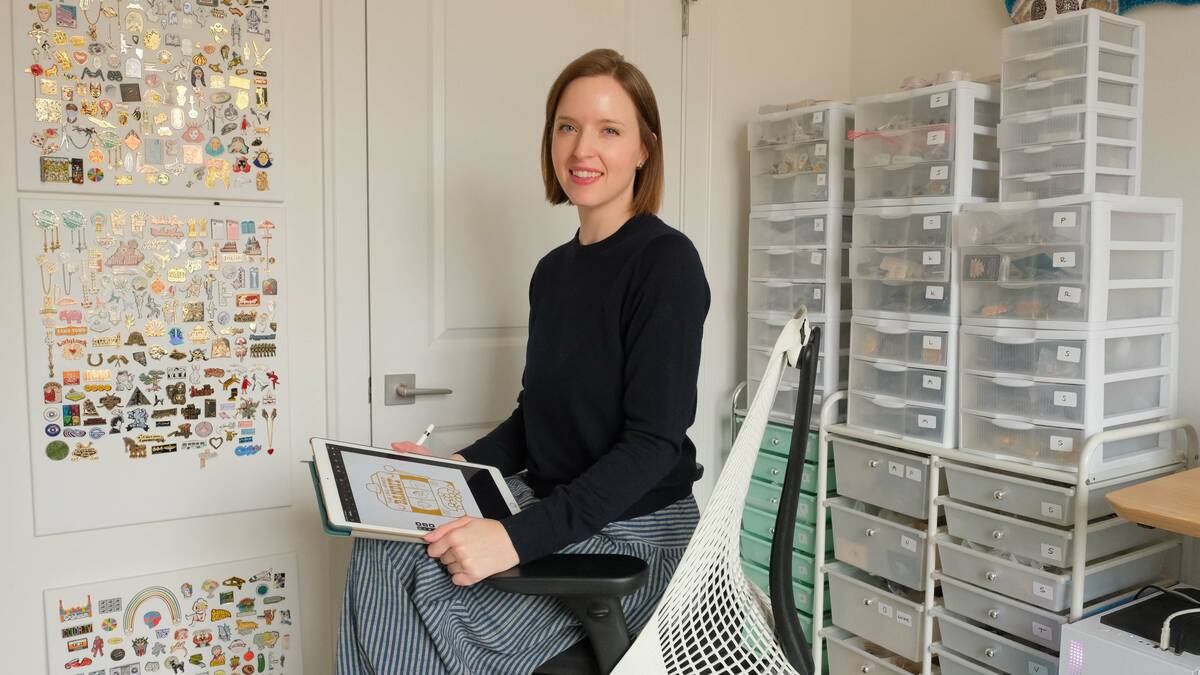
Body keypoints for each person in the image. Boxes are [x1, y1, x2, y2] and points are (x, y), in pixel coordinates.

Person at [337, 47, 710, 674]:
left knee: (434, 587)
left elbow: (651, 446)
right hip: (558, 501)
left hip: (636, 527)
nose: (582, 149)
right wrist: (448, 472)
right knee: (380, 544)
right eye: (568, 126)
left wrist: (510, 539)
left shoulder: (665, 263)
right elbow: (534, 419)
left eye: (609, 130)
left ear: (644, 148)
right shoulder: (553, 273)